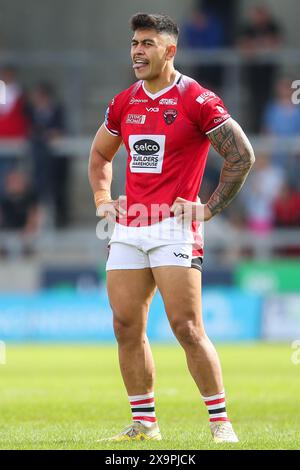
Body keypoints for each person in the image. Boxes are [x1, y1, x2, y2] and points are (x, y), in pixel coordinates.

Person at [88, 13, 255, 443]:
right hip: (130, 228)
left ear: (170, 50)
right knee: (125, 325)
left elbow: (242, 156)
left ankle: (221, 423)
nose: (137, 51)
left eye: (146, 43)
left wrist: (209, 209)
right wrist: (103, 201)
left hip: (174, 229)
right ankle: (145, 423)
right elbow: (99, 157)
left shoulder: (196, 99)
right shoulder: (124, 101)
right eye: (133, 44)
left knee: (186, 327)